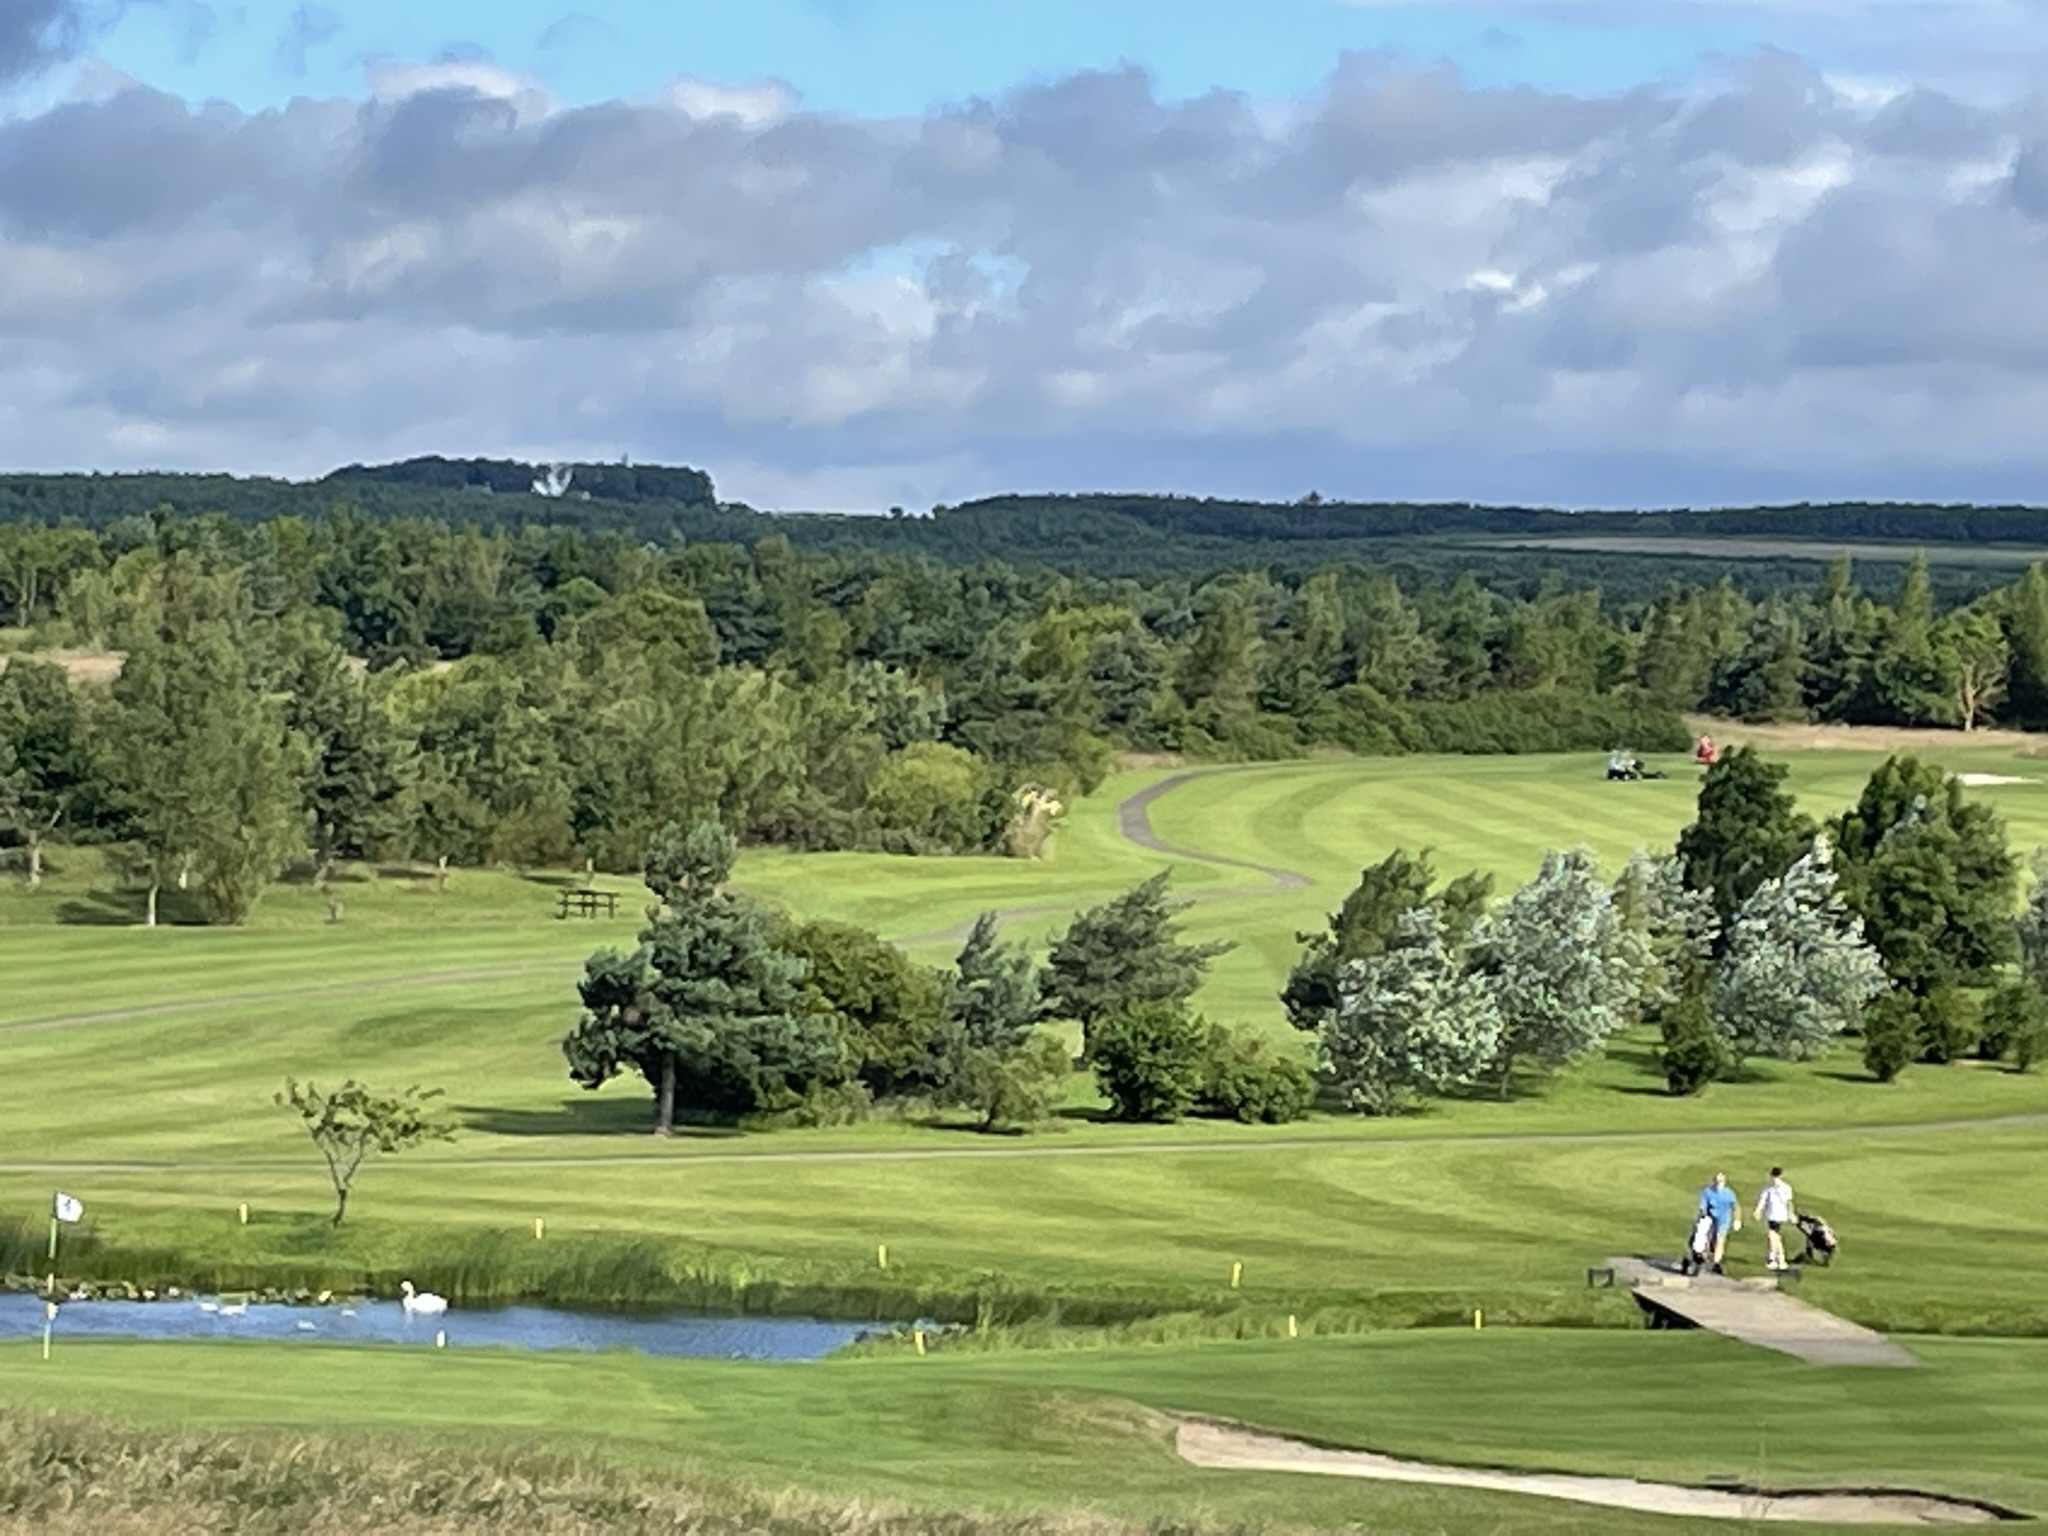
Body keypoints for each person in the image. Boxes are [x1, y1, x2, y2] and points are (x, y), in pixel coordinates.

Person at [1697, 1172, 1740, 1273]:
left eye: (1721, 1182)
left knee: (1720, 1240)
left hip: (1723, 1219)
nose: (1718, 1184)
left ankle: (1716, 1263)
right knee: (1707, 1239)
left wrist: (1737, 1219)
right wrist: (1703, 1217)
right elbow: (1703, 1206)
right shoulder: (1707, 1192)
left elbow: (1735, 1207)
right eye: (1717, 1181)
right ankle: (1703, 1257)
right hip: (1710, 1217)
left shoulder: (1729, 1193)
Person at [1755, 1166, 1796, 1271]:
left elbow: (1789, 1202)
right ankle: (1780, 1260)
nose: (1775, 1179)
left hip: (1780, 1215)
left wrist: (1791, 1214)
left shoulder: (1785, 1188)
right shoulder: (1768, 1188)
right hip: (1771, 1215)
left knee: (1772, 1236)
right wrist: (1758, 1211)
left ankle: (1774, 1260)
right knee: (1775, 1237)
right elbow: (1763, 1200)